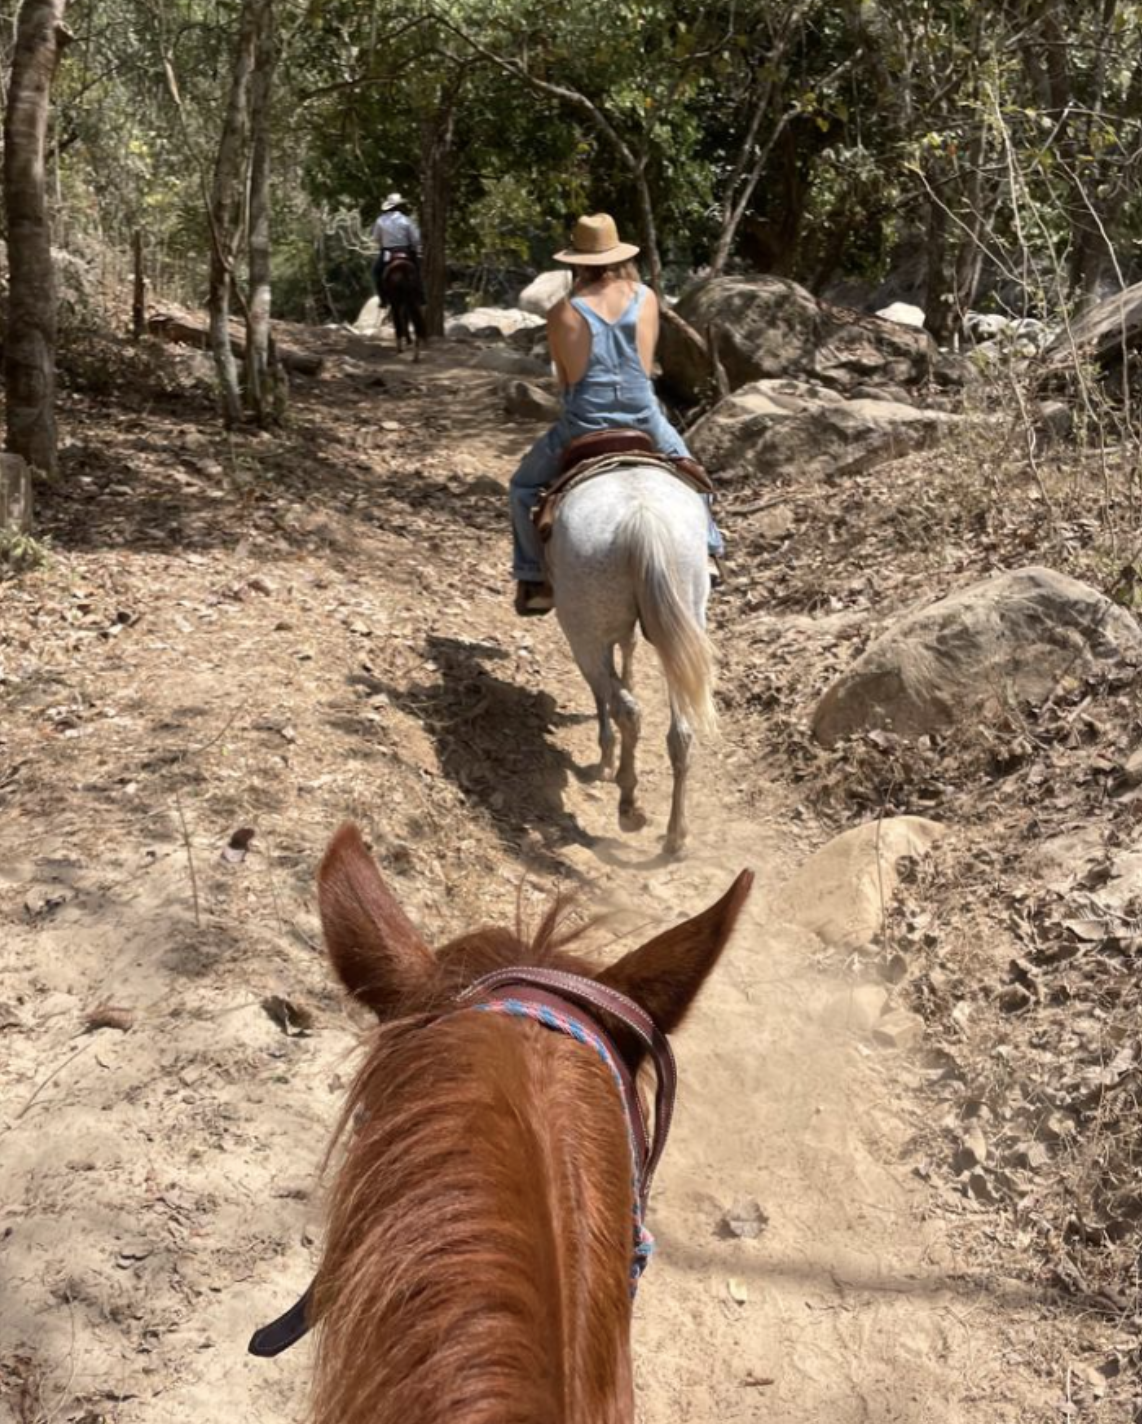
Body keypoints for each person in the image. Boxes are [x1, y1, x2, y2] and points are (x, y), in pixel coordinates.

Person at [509, 212, 724, 616]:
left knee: (521, 489)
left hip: (583, 422)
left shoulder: (562, 312)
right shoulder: (645, 298)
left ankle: (533, 576)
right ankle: (710, 549)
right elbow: (645, 365)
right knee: (694, 475)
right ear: (618, 253)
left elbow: (566, 382)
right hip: (643, 417)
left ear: (575, 261)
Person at [371, 192, 422, 305]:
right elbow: (416, 239)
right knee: (418, 270)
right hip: (406, 250)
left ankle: (383, 298)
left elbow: (375, 238)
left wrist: (383, 244)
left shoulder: (380, 220)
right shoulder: (407, 220)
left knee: (376, 272)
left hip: (387, 252)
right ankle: (421, 295)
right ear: (399, 206)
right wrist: (413, 247)